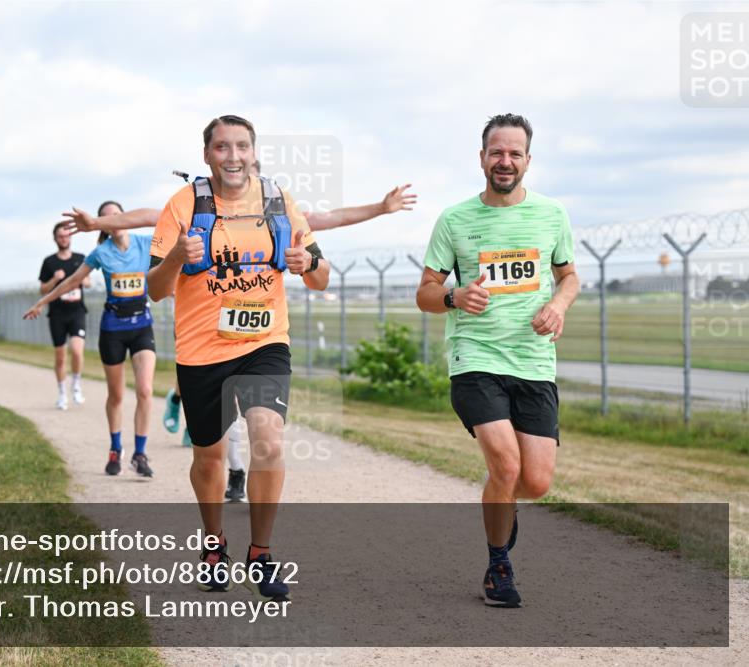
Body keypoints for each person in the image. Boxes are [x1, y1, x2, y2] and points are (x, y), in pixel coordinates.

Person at [70, 164, 417, 503]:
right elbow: (146, 215)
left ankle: (236, 472)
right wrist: (98, 224)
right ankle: (191, 413)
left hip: (259, 338)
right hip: (204, 333)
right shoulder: (199, 208)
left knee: (250, 415)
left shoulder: (276, 210)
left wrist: (381, 208)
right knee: (220, 419)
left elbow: (331, 218)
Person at [147, 115, 329, 601]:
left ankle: (261, 554)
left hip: (265, 344)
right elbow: (156, 290)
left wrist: (306, 263)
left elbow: (321, 276)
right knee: (209, 457)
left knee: (268, 440)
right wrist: (175, 260)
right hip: (203, 350)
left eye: (242, 147)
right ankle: (213, 545)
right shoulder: (182, 206)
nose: (233, 156)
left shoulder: (278, 201)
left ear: (254, 152)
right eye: (223, 147)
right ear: (207, 155)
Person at [416, 114, 579, 608]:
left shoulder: (552, 214)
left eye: (514, 153)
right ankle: (498, 567)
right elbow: (424, 292)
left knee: (535, 481)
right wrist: (453, 297)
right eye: (496, 152)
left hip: (533, 361)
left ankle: (502, 505)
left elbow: (569, 276)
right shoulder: (455, 220)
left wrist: (558, 304)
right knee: (505, 465)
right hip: (475, 358)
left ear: (527, 160)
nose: (504, 161)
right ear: (482, 157)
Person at [25, 214, 156, 478]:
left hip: (142, 325)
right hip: (113, 329)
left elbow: (173, 255)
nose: (116, 220)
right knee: (117, 395)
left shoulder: (146, 242)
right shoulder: (101, 252)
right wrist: (43, 302)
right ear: (103, 225)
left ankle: (139, 453)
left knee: (145, 389)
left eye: (119, 214)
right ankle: (115, 448)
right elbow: (72, 281)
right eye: (108, 217)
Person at [38, 223, 91, 410]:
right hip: (57, 314)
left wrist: (83, 279)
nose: (64, 239)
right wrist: (54, 279)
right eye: (60, 236)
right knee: (60, 356)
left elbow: (89, 283)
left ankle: (76, 383)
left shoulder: (80, 259)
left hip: (77, 311)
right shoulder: (49, 262)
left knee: (77, 350)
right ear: (55, 238)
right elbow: (42, 289)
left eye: (67, 236)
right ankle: (62, 393)